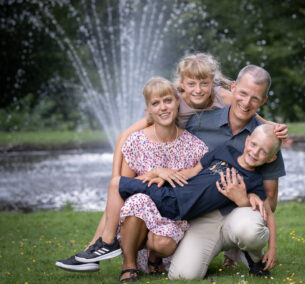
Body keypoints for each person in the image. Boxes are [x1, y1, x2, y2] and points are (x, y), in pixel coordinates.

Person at [76, 124, 280, 282]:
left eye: (263, 151)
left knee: (117, 183)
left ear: (270, 159)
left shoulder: (253, 181)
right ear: (247, 141)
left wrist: (272, 248)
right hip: (171, 192)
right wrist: (164, 177)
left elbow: (268, 213)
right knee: (116, 183)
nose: (255, 152)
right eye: (254, 145)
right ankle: (108, 240)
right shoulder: (225, 151)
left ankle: (111, 243)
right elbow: (193, 171)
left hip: (177, 207)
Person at [55, 77, 208, 274]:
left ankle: (154, 258)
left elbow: (195, 192)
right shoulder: (136, 141)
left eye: (168, 100)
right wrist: (153, 173)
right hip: (136, 225)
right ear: (148, 110)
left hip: (171, 222)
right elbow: (123, 189)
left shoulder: (195, 146)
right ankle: (128, 265)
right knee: (138, 200)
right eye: (156, 103)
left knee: (162, 242)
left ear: (177, 102)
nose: (163, 107)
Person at [167, 64, 286, 280]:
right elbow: (183, 165)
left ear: (263, 101)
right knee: (182, 276)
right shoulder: (200, 122)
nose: (246, 102)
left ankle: (251, 253)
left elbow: (272, 202)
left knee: (249, 231)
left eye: (255, 98)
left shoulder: (266, 141)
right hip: (204, 216)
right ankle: (213, 251)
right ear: (233, 88)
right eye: (242, 93)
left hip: (241, 215)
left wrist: (244, 200)